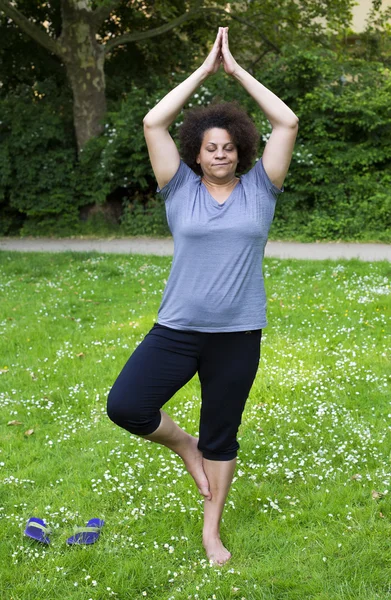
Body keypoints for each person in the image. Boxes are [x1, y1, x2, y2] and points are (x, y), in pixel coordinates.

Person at [107, 27, 298, 565]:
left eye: (229, 147)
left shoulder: (262, 188)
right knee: (126, 405)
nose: (219, 154)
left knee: (222, 434)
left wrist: (236, 71)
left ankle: (211, 531)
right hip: (177, 329)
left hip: (237, 336)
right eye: (211, 147)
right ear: (196, 152)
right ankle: (182, 445)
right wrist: (204, 70)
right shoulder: (179, 187)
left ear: (242, 151)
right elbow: (153, 121)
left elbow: (287, 121)